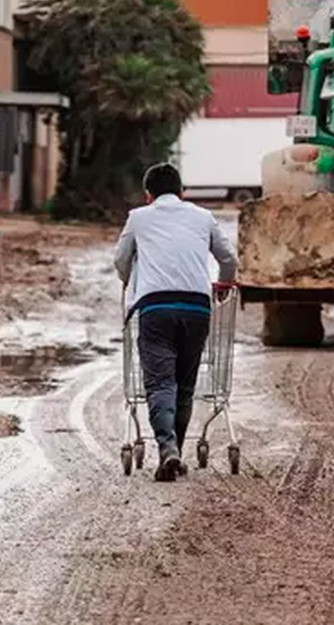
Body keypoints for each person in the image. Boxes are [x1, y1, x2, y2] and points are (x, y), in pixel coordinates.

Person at [113, 163, 239, 482]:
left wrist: (130, 282)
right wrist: (223, 285)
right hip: (198, 308)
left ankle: (168, 450)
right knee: (184, 386)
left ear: (148, 196)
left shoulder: (138, 218)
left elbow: (120, 259)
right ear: (183, 193)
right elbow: (229, 259)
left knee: (159, 383)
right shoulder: (202, 217)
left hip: (156, 308)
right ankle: (175, 452)